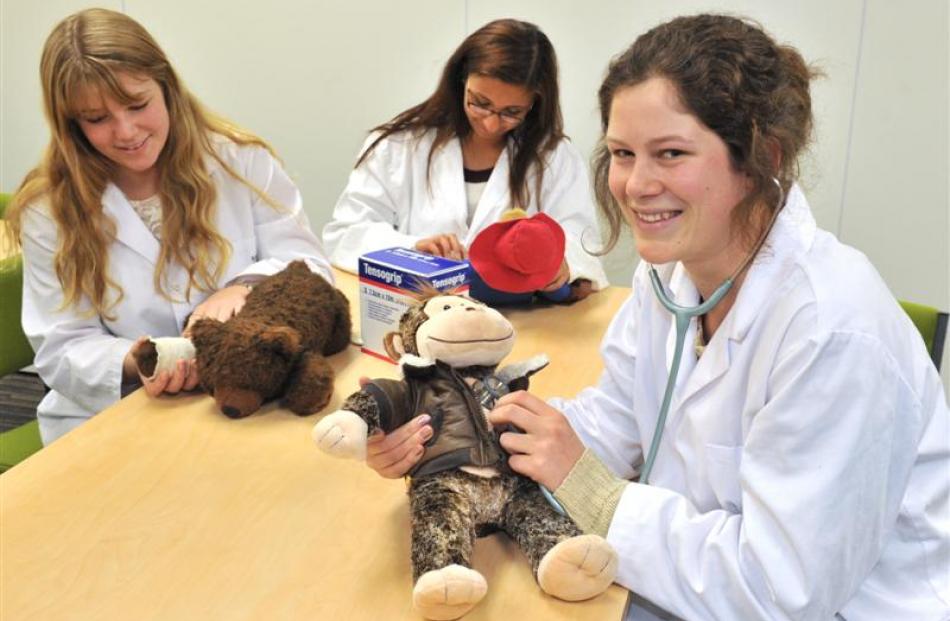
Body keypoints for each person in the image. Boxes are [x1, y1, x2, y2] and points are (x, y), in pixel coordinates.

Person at [365, 14, 950, 619]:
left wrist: (592, 492)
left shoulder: (832, 330)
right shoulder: (671, 276)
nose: (635, 184)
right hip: (688, 572)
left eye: (670, 153)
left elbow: (778, 590)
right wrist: (452, 431)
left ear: (760, 157)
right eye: (622, 153)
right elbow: (618, 422)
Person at [7, 8, 333, 445]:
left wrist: (245, 287)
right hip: (118, 420)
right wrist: (140, 360)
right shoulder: (49, 209)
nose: (126, 131)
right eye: (97, 119)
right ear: (71, 124)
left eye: (137, 104)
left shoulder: (238, 161)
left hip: (249, 399)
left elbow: (310, 266)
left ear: (167, 87)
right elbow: (62, 348)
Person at [322, 18, 608, 303]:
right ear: (461, 81)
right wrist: (412, 249)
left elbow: (581, 240)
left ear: (535, 103)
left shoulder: (554, 158)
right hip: (421, 320)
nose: (492, 123)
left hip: (522, 324)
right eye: (480, 103)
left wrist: (561, 265)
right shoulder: (397, 147)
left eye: (511, 111)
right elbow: (345, 234)